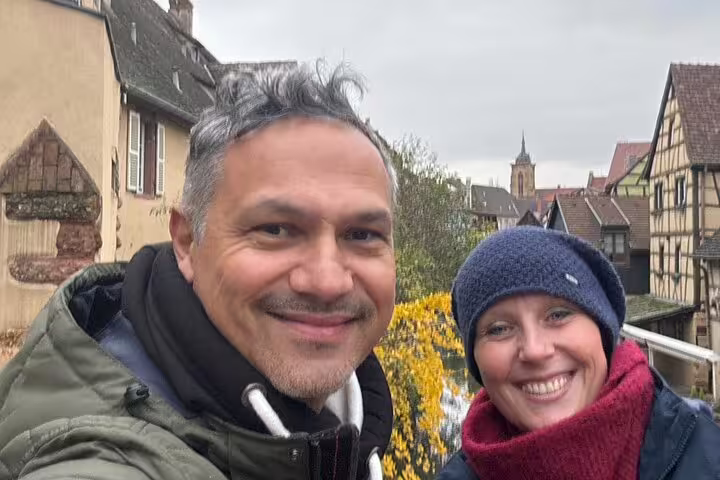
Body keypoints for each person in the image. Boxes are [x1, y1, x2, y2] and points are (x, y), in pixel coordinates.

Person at [0, 62, 396, 480]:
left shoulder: (345, 425)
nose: (327, 281)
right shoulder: (101, 463)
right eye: (276, 229)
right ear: (188, 242)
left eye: (362, 234)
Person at [438, 226, 720, 480]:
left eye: (558, 314)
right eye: (499, 329)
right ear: (475, 359)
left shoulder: (705, 457)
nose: (536, 351)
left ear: (603, 330)